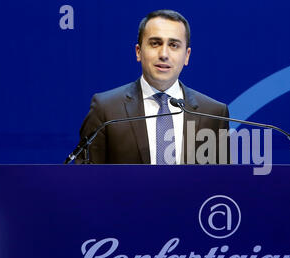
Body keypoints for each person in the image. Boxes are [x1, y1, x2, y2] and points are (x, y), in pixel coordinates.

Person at [75, 9, 229, 164]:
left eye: (174, 45)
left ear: (187, 56)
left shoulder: (213, 113)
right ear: (138, 52)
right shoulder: (106, 109)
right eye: (155, 43)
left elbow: (222, 182)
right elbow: (85, 179)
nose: (164, 54)